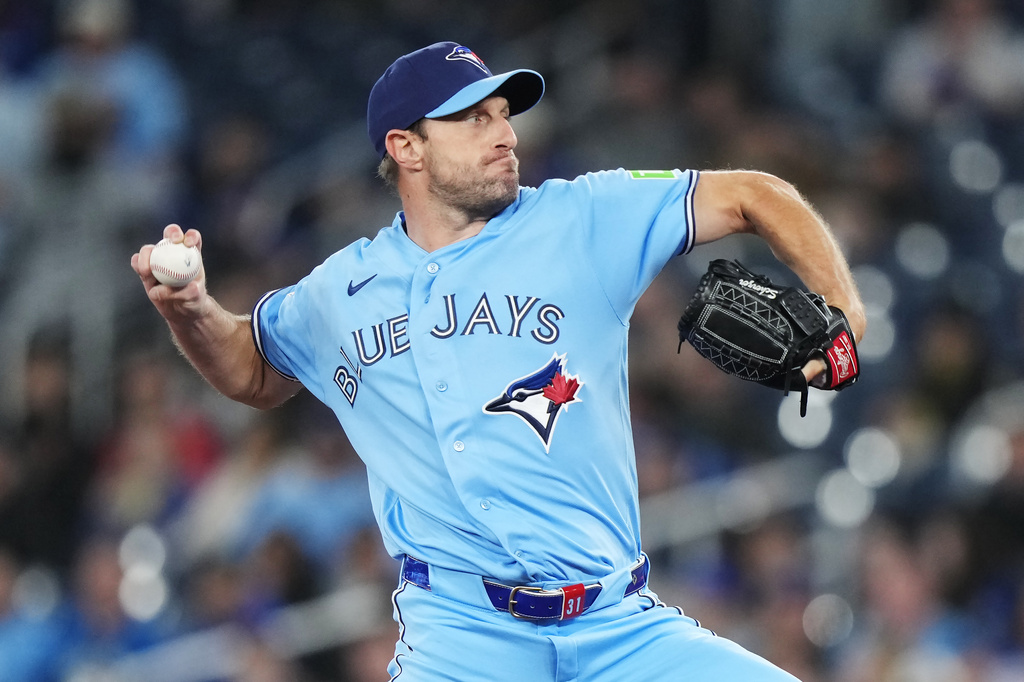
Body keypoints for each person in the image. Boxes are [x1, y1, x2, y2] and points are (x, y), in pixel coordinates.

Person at [132, 41, 866, 681]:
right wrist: (194, 311)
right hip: (462, 641)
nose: (504, 133)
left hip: (620, 628)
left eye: (504, 114)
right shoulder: (338, 291)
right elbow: (253, 371)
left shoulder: (581, 218)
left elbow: (752, 195)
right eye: (473, 118)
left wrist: (846, 313)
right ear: (406, 147)